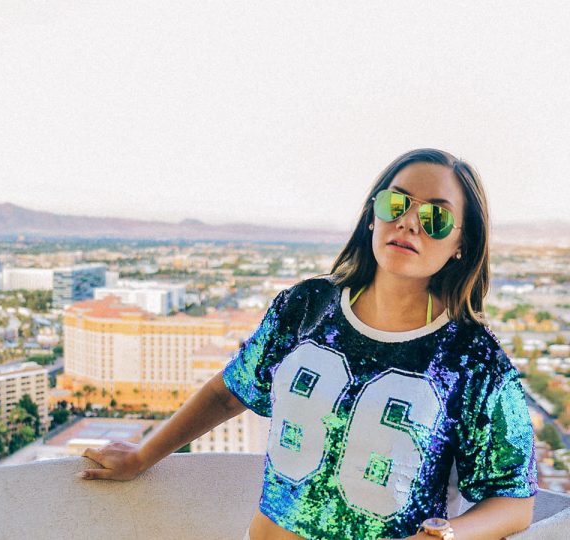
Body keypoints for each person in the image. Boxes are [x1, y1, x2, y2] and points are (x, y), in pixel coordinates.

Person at [77, 148, 538, 540]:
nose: (409, 222)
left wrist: (451, 534)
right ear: (372, 215)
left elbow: (515, 499)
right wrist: (142, 456)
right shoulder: (307, 306)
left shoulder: (474, 360)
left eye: (435, 216)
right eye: (395, 203)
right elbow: (228, 391)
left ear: (462, 242)